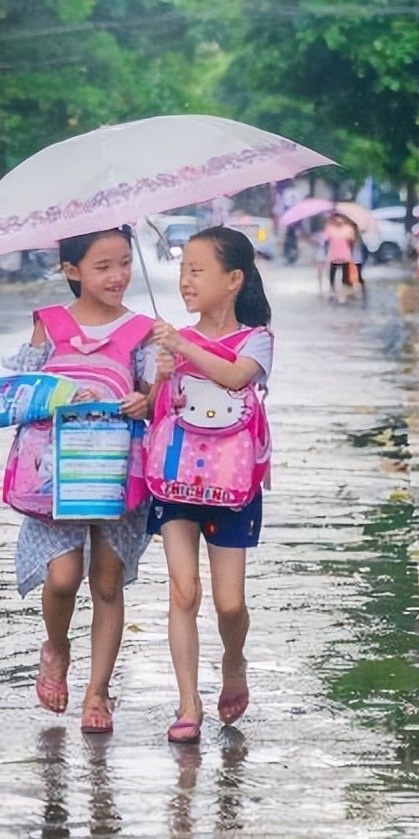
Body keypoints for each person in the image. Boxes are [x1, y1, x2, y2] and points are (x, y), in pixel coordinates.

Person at [1, 225, 156, 734]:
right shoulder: (49, 324)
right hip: (55, 478)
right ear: (71, 271)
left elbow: (157, 396)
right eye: (103, 266)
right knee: (63, 578)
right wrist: (61, 396)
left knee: (107, 582)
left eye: (125, 263)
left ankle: (97, 692)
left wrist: (147, 397)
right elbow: (22, 396)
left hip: (115, 476)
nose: (118, 276)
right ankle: (57, 646)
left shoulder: (142, 330)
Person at [148, 226, 274, 744]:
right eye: (181, 272)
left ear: (234, 279)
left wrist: (181, 347)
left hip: (232, 486)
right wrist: (158, 373)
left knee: (228, 604)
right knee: (184, 591)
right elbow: (158, 407)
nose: (185, 282)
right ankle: (187, 703)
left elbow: (237, 377)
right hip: (175, 481)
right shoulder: (174, 340)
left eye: (197, 271)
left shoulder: (256, 339)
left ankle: (234, 659)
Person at [322, 213, 356, 303]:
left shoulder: (348, 229)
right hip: (333, 255)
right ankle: (332, 291)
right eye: (337, 218)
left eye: (341, 218)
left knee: (345, 277)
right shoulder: (329, 228)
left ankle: (343, 297)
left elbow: (351, 242)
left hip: (345, 256)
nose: (339, 220)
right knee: (332, 275)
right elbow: (325, 240)